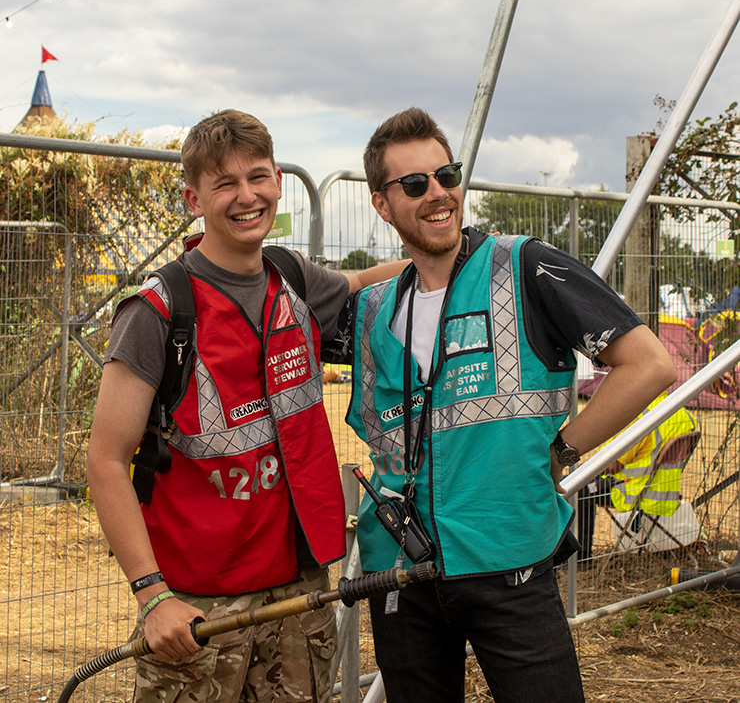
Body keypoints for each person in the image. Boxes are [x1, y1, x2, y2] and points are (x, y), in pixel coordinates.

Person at [339, 107, 677, 703]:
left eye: (447, 175)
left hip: (510, 563)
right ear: (381, 204)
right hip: (400, 570)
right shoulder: (372, 308)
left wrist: (565, 448)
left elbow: (649, 364)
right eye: (415, 185)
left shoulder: (523, 267)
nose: (438, 194)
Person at [86, 109, 407, 703]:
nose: (246, 196)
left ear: (278, 182)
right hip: (199, 606)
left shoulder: (293, 280)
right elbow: (105, 460)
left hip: (296, 588)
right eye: (224, 183)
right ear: (193, 197)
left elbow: (363, 286)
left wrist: (448, 256)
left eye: (257, 177)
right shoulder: (158, 313)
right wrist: (152, 595)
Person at [577, 391, 699, 561]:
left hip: (632, 492)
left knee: (578, 489)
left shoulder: (641, 416)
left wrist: (581, 471)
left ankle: (580, 559)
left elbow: (612, 465)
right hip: (666, 491)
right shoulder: (683, 413)